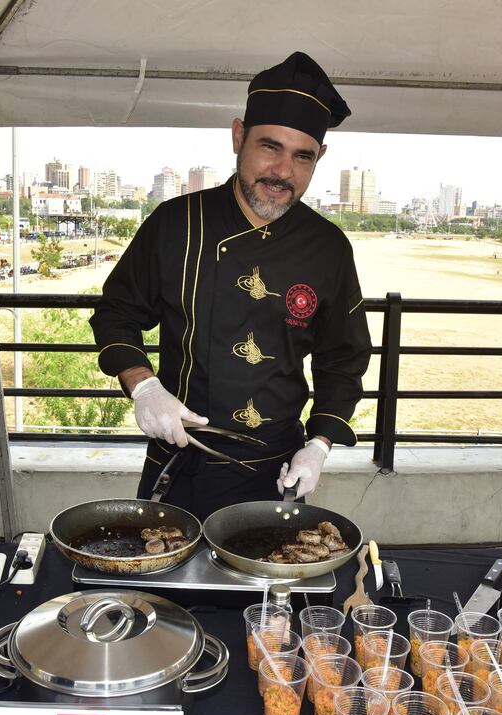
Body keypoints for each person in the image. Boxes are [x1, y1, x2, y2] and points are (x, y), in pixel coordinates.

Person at [90, 51, 372, 521]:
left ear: (320, 157)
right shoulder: (175, 224)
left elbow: (342, 359)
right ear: (238, 136)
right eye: (270, 147)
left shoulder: (328, 247)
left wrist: (319, 445)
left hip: (276, 468)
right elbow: (116, 313)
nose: (282, 171)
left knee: (265, 594)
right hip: (178, 460)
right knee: (163, 591)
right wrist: (144, 387)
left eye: (302, 156)